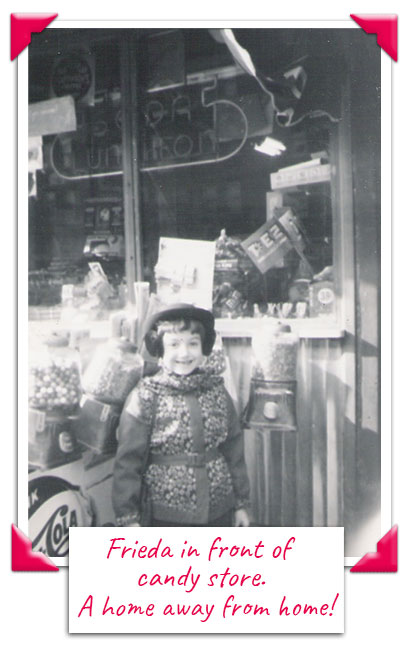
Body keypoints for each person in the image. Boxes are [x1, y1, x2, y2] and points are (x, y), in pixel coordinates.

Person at [112, 303, 250, 527]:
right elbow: (128, 462)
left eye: (192, 343)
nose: (184, 353)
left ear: (203, 347)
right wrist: (128, 518)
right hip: (167, 517)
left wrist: (241, 504)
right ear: (160, 349)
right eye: (174, 344)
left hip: (219, 510)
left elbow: (234, 450)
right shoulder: (146, 396)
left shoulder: (216, 390)